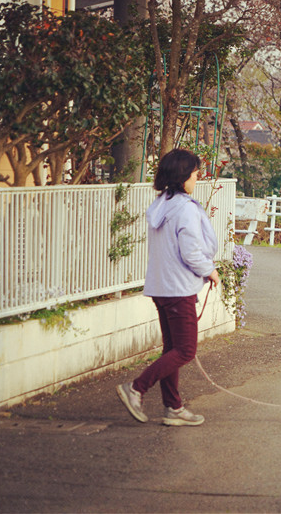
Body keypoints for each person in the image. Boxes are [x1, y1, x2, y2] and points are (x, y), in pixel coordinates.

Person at [117, 149, 220, 426]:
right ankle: (136, 388)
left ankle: (173, 408)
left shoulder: (162, 204)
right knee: (185, 350)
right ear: (183, 176)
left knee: (172, 349)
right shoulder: (184, 208)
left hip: (162, 287)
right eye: (195, 172)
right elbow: (191, 252)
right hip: (178, 288)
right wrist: (210, 271)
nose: (198, 176)